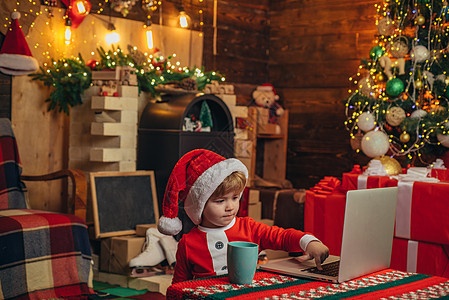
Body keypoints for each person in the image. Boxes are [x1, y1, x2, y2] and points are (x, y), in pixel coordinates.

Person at [157, 149, 329, 284]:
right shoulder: (188, 244)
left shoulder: (249, 228)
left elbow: (282, 237)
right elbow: (179, 286)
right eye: (220, 201)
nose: (230, 207)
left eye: (235, 198)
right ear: (199, 206)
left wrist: (309, 242)